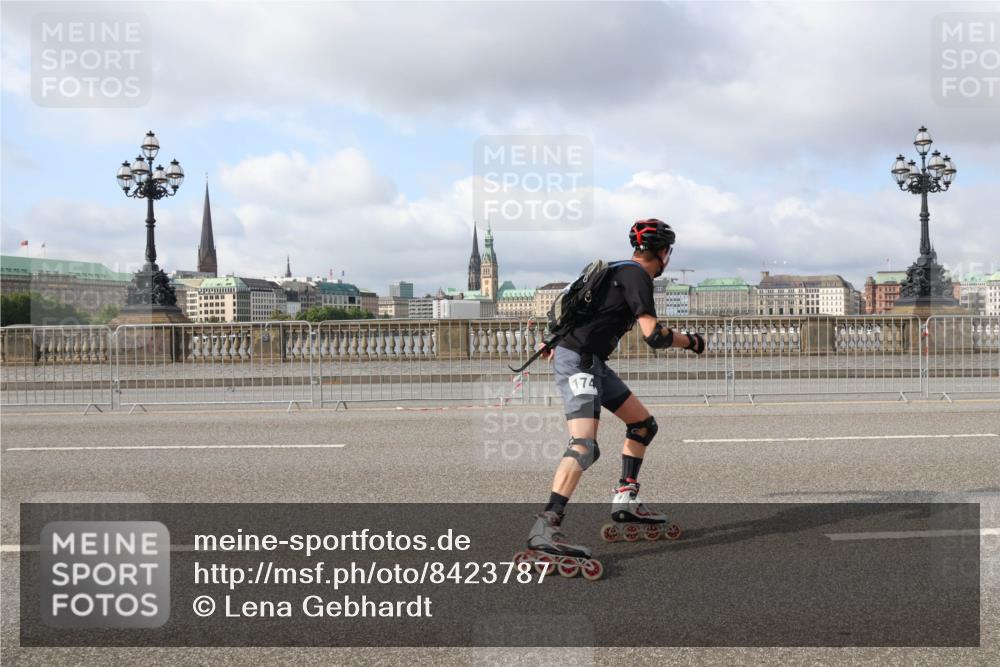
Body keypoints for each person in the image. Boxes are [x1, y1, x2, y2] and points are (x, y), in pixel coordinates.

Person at [526, 219, 705, 563]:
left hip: (590, 360)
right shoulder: (638, 275)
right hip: (579, 361)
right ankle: (546, 527)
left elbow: (576, 308)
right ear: (664, 253)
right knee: (584, 446)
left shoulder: (614, 268)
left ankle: (626, 498)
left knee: (642, 425)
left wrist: (553, 339)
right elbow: (653, 335)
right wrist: (691, 342)